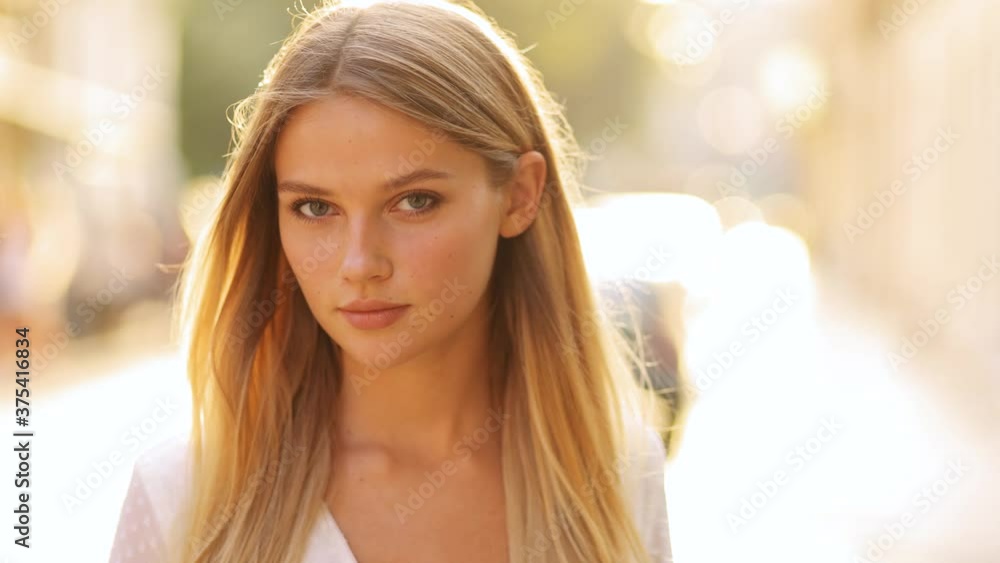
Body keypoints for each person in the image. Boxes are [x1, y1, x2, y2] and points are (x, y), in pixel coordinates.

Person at [108, 1, 672, 561]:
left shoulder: (617, 476)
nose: (359, 263)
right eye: (314, 208)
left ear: (520, 195)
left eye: (414, 201)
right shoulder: (182, 498)